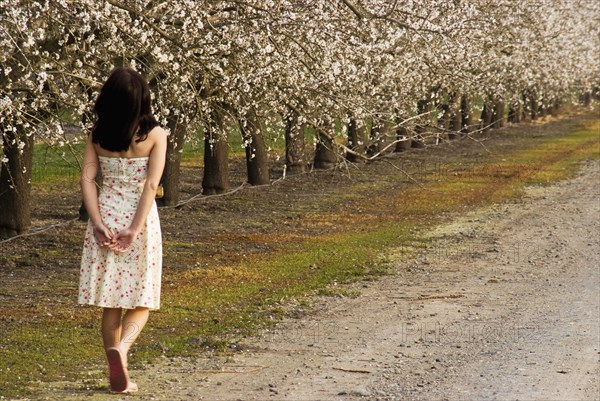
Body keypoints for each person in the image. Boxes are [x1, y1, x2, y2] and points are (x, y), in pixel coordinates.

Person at [78, 67, 167, 394]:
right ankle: (124, 350)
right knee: (142, 299)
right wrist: (135, 228)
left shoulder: (97, 134)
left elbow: (88, 178)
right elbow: (151, 185)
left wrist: (97, 222)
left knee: (111, 303)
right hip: (139, 221)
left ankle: (119, 374)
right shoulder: (155, 135)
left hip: (107, 217)